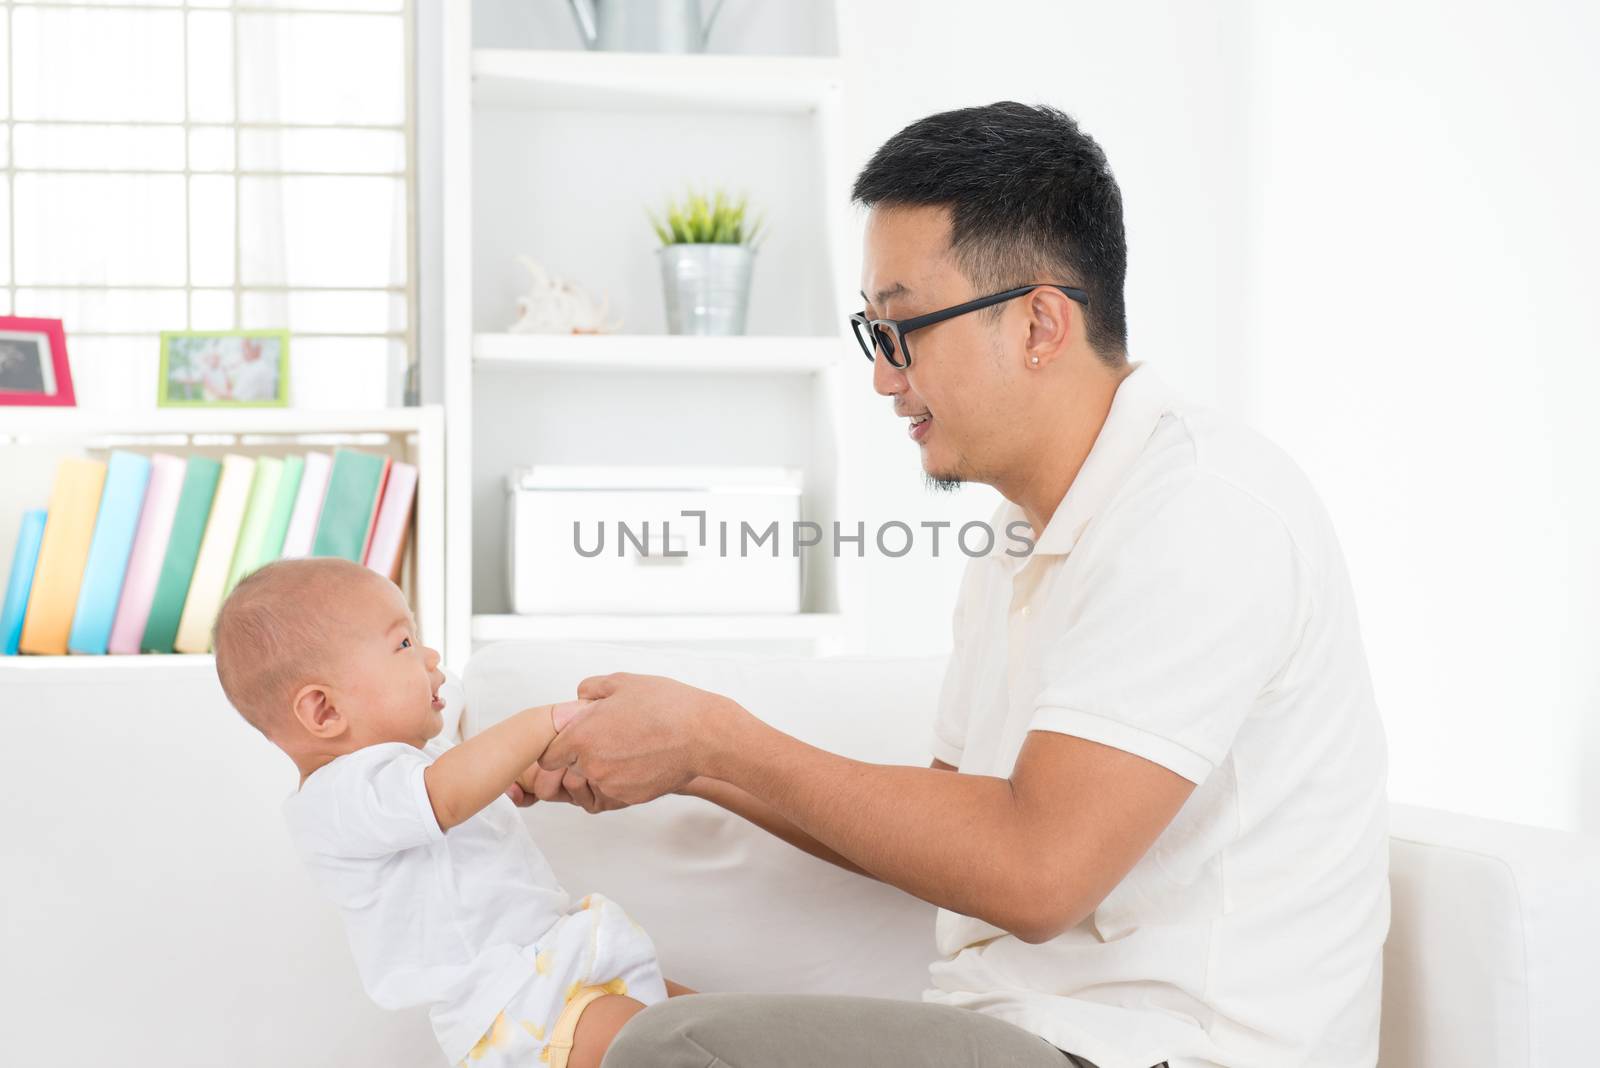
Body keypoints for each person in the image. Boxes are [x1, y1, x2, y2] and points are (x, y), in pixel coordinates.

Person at [517, 102, 1390, 1068]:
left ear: (1040, 323)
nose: (888, 379)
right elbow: (949, 834)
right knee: (635, 1018)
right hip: (1024, 1035)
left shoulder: (1202, 513)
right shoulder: (1021, 534)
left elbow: (1034, 872)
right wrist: (694, 762)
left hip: (1159, 1052)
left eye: (906, 330)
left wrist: (722, 736)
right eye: (874, 334)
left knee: (670, 1047)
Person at [210, 557, 690, 1068]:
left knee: (712, 1027)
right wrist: (549, 722)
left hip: (562, 970)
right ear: (325, 711)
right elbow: (444, 795)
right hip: (519, 1011)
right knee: (661, 1046)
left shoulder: (416, 756)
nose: (431, 655)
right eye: (403, 643)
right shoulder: (339, 799)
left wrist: (520, 770)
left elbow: (454, 753)